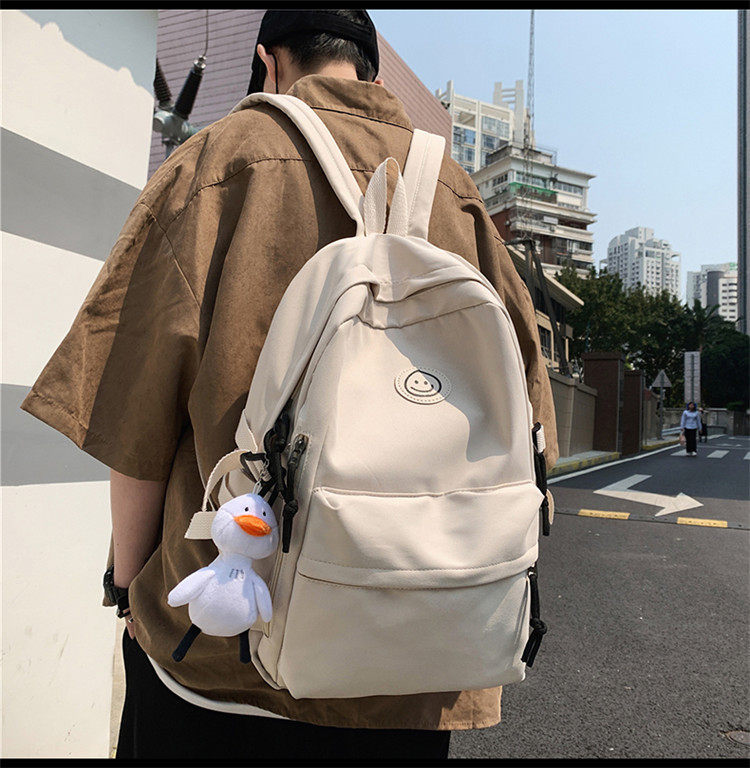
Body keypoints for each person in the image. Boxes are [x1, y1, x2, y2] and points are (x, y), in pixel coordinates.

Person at [20, 9, 558, 760]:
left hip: (223, 653)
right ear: (369, 71)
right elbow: (534, 438)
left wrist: (131, 586)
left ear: (269, 62)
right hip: (413, 665)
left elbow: (133, 418)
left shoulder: (221, 159)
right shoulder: (458, 197)